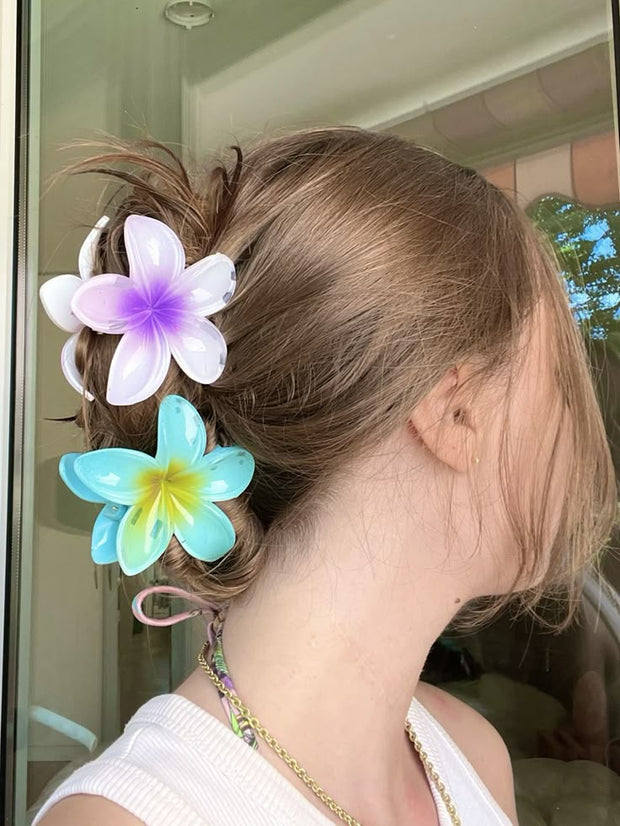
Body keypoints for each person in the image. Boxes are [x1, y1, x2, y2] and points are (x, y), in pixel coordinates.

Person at [33, 127, 616, 826]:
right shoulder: (131, 818)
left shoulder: (472, 755)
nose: (577, 426)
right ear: (454, 411)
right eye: (559, 382)